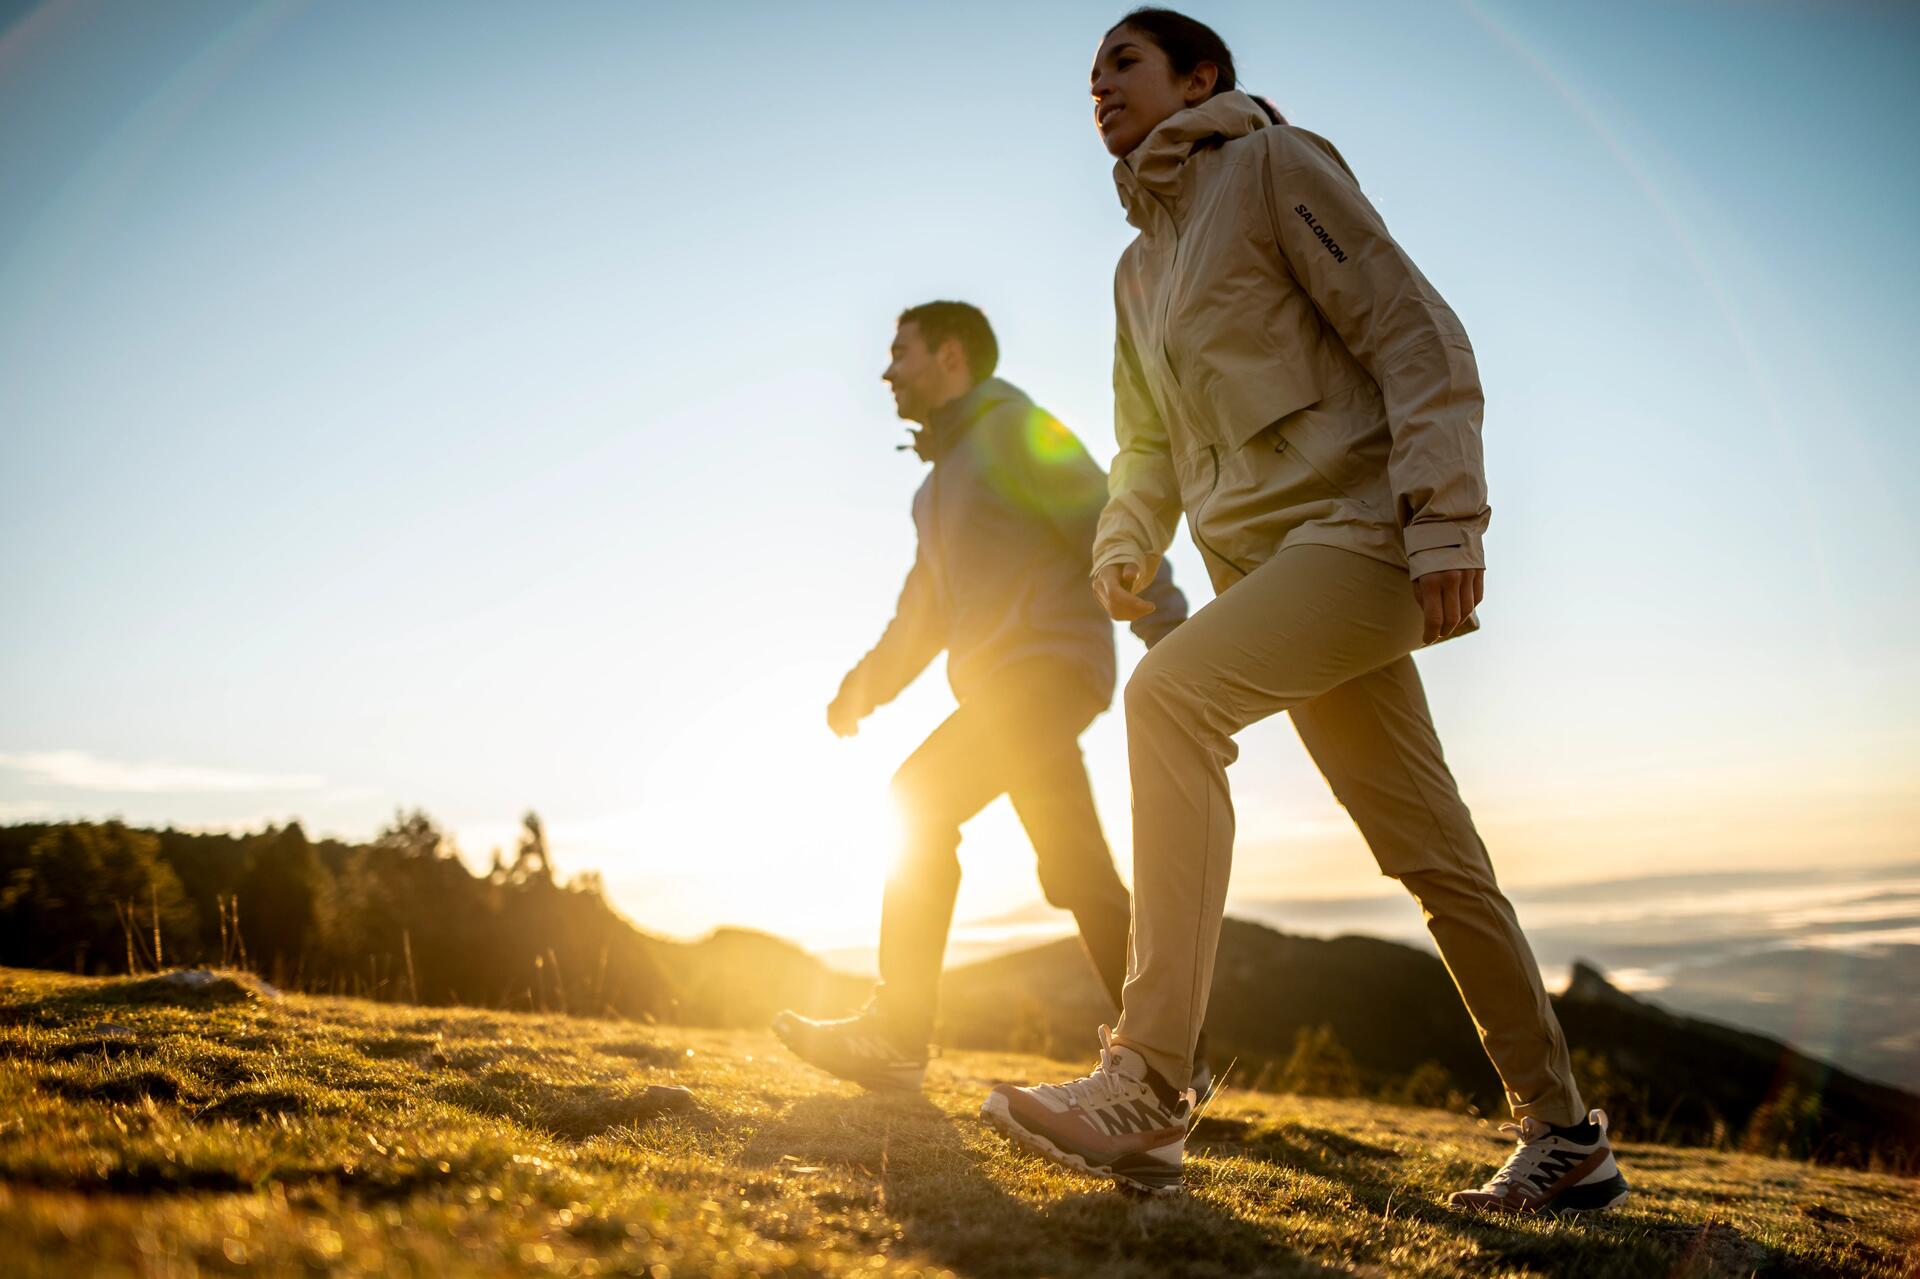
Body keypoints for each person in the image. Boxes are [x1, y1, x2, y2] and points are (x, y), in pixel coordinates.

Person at [980, 10, 1631, 1214]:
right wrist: (1127, 539)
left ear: (1202, 77)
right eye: (1090, 75)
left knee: (1170, 699)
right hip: (1274, 576)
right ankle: (1566, 1134)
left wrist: (1445, 517)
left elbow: (1413, 326)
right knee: (1434, 853)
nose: (1100, 88)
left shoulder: (1276, 167)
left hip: (1370, 534)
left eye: (1124, 63)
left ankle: (1149, 1085)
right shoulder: (1136, 269)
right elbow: (1143, 441)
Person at [773, 301, 1211, 1098]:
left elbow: (1103, 518)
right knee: (1080, 872)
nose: (885, 371)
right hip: (1009, 689)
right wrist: (860, 690)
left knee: (917, 798)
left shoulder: (1015, 431)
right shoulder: (935, 490)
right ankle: (1174, 1057)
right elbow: (923, 615)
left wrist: (1172, 630)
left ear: (950, 357)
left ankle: (898, 1033)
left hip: (1044, 674)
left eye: (898, 351)